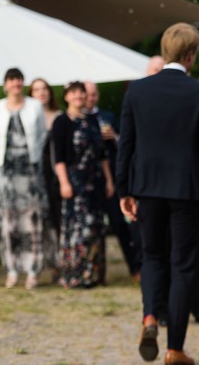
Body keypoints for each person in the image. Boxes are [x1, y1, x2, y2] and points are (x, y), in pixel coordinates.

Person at [117, 23, 199, 365]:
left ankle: (149, 316)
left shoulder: (137, 91)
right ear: (191, 55)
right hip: (187, 189)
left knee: (152, 256)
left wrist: (125, 189)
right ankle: (175, 349)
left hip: (146, 187)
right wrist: (197, 171)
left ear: (164, 51)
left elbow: (126, 145)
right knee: (184, 265)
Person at [0, 68, 49, 290]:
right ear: (5, 85)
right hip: (6, 172)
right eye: (11, 80)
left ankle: (33, 270)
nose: (15, 84)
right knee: (8, 220)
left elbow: (42, 134)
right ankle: (12, 270)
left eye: (18, 80)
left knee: (32, 220)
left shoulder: (34, 106)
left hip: (30, 170)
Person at [51, 81, 115, 288]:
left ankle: (94, 273)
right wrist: (64, 182)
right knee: (78, 229)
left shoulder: (93, 120)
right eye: (74, 93)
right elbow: (58, 156)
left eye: (81, 92)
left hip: (94, 180)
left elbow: (103, 154)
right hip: (74, 182)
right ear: (66, 96)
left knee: (96, 227)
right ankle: (75, 274)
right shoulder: (61, 121)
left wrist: (108, 180)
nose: (78, 96)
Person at [84, 80, 142, 282]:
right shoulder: (78, 118)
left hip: (112, 176)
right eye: (87, 94)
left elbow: (125, 143)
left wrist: (113, 137)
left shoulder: (108, 117)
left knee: (119, 223)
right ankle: (96, 271)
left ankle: (135, 267)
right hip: (89, 178)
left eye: (93, 94)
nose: (90, 98)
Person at [28, 77, 63, 278]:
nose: (41, 93)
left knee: (57, 218)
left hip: (56, 175)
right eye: (36, 90)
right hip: (36, 174)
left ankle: (59, 262)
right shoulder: (27, 117)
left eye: (44, 89)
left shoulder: (59, 117)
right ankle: (40, 262)